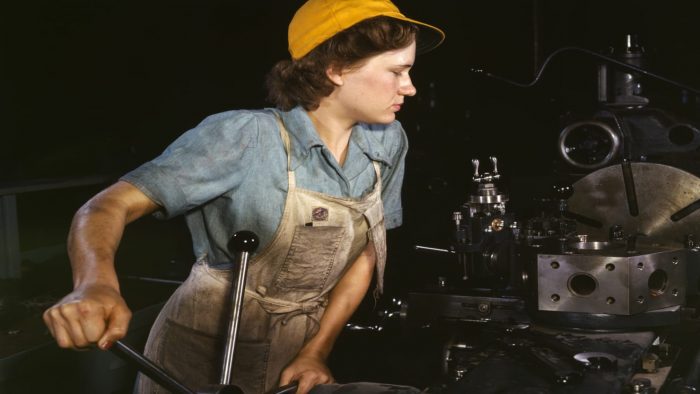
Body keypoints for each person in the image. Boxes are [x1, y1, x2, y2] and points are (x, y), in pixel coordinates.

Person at [42, 0, 444, 393]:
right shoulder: (245, 137)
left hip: (295, 352)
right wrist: (94, 284)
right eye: (397, 71)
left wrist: (315, 352)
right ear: (336, 68)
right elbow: (107, 206)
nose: (409, 87)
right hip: (201, 354)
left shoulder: (387, 141)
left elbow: (367, 252)